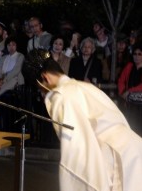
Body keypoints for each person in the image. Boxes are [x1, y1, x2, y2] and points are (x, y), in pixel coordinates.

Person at [32, 51, 142, 191]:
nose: (43, 93)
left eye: (41, 89)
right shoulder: (86, 86)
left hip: (117, 158)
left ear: (45, 78)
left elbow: (76, 145)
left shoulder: (61, 95)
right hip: (134, 146)